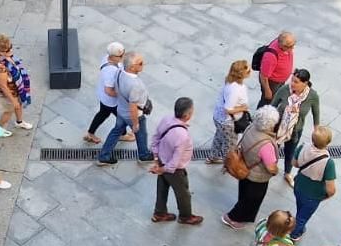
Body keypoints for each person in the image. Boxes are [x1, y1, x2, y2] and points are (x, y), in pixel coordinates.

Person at [222, 106, 280, 230]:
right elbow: (271, 167)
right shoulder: (266, 144)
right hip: (257, 177)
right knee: (251, 199)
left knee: (244, 194)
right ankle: (233, 218)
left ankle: (238, 215)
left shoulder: (251, 127)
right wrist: (276, 171)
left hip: (244, 167)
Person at [150, 96, 201, 225]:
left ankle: (159, 213)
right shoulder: (182, 135)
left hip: (162, 160)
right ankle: (185, 216)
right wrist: (162, 169)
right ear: (187, 115)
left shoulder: (166, 120)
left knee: (162, 188)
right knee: (183, 193)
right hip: (174, 170)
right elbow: (174, 162)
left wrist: (157, 160)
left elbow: (155, 139)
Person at [97, 53, 154, 166]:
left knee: (116, 131)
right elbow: (133, 107)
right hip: (133, 114)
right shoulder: (135, 85)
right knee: (141, 134)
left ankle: (104, 156)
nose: (143, 65)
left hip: (121, 109)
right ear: (132, 67)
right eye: (141, 63)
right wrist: (135, 124)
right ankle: (144, 155)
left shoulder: (119, 71)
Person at [271, 69, 320, 186]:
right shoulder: (284, 90)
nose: (292, 84)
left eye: (296, 82)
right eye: (292, 80)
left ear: (305, 83)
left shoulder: (312, 96)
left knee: (290, 152)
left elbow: (316, 114)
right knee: (272, 149)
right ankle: (269, 167)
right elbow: (272, 106)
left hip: (295, 130)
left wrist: (316, 131)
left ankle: (287, 173)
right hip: (278, 127)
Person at [290, 125, 337, 239]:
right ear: (328, 142)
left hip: (298, 185)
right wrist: (325, 197)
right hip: (314, 194)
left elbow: (294, 163)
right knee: (302, 217)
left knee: (300, 208)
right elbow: (331, 189)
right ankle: (294, 234)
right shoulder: (328, 162)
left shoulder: (302, 147)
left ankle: (298, 226)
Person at [84, 42, 133, 144]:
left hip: (105, 98)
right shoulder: (110, 71)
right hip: (111, 101)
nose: (123, 56)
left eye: (123, 53)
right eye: (120, 56)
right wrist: (123, 95)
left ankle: (90, 133)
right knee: (122, 117)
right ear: (113, 56)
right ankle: (122, 135)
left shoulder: (107, 58)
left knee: (103, 114)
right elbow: (109, 90)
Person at [208, 59, 251, 164]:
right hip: (228, 123)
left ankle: (212, 157)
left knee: (219, 137)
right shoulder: (235, 90)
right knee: (230, 145)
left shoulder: (229, 81)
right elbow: (228, 109)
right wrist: (243, 108)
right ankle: (228, 164)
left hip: (219, 119)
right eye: (248, 70)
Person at [0, 34, 33, 131]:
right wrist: (13, 100)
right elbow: (3, 86)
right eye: (7, 50)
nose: (10, 51)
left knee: (19, 106)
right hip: (8, 94)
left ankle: (19, 122)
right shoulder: (0, 67)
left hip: (16, 89)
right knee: (8, 112)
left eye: (10, 47)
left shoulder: (6, 56)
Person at [256, 31, 296, 107]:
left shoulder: (285, 46)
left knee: (276, 99)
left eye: (293, 45)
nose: (292, 48)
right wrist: (267, 91)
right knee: (267, 102)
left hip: (280, 81)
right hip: (272, 83)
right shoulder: (270, 57)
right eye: (290, 46)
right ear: (282, 45)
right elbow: (263, 76)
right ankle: (260, 117)